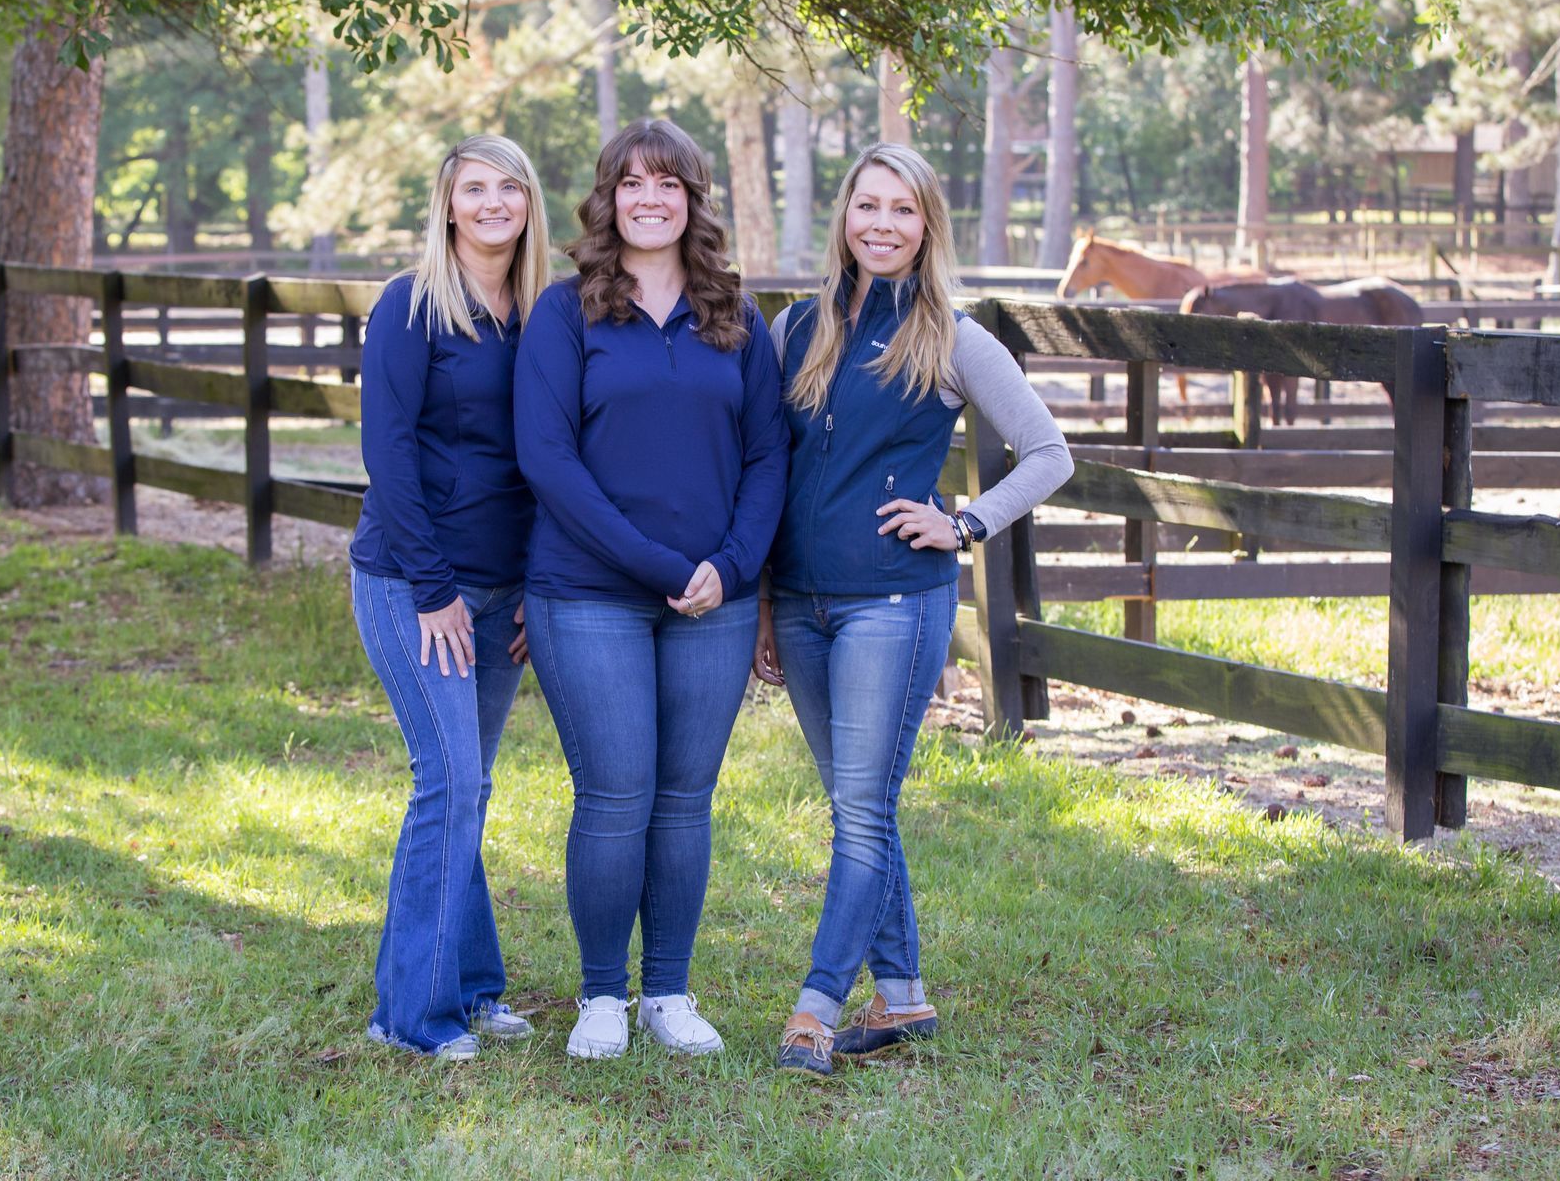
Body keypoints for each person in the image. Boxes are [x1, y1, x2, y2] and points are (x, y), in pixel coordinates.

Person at [756, 143, 1073, 1075]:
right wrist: (770, 600)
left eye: (903, 209)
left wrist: (966, 522)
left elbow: (1050, 453)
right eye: (868, 206)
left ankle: (815, 1007)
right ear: (845, 217)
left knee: (859, 810)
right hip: (804, 604)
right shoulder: (797, 328)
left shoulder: (953, 337)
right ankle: (902, 999)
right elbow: (774, 469)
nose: (882, 224)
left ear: (927, 225)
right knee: (861, 805)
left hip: (894, 603)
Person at [515, 118, 789, 1059]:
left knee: (684, 797)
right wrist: (665, 567)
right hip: (587, 591)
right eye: (631, 183)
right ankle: (602, 997)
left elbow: (767, 455)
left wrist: (731, 565)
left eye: (668, 184)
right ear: (607, 197)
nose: (649, 199)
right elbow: (547, 460)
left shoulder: (737, 318)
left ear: (693, 200)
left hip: (713, 598)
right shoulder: (565, 313)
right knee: (616, 793)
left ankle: (668, 991)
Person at [348, 134, 553, 1060]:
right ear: (447, 203)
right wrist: (436, 592)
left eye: (509, 187)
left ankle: (473, 988)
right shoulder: (411, 304)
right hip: (412, 580)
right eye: (475, 188)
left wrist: (532, 593)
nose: (493, 203)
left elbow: (555, 459)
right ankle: (411, 1014)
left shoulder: (544, 312)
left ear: (529, 202)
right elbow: (387, 453)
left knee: (471, 785)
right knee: (452, 780)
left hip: (507, 587)